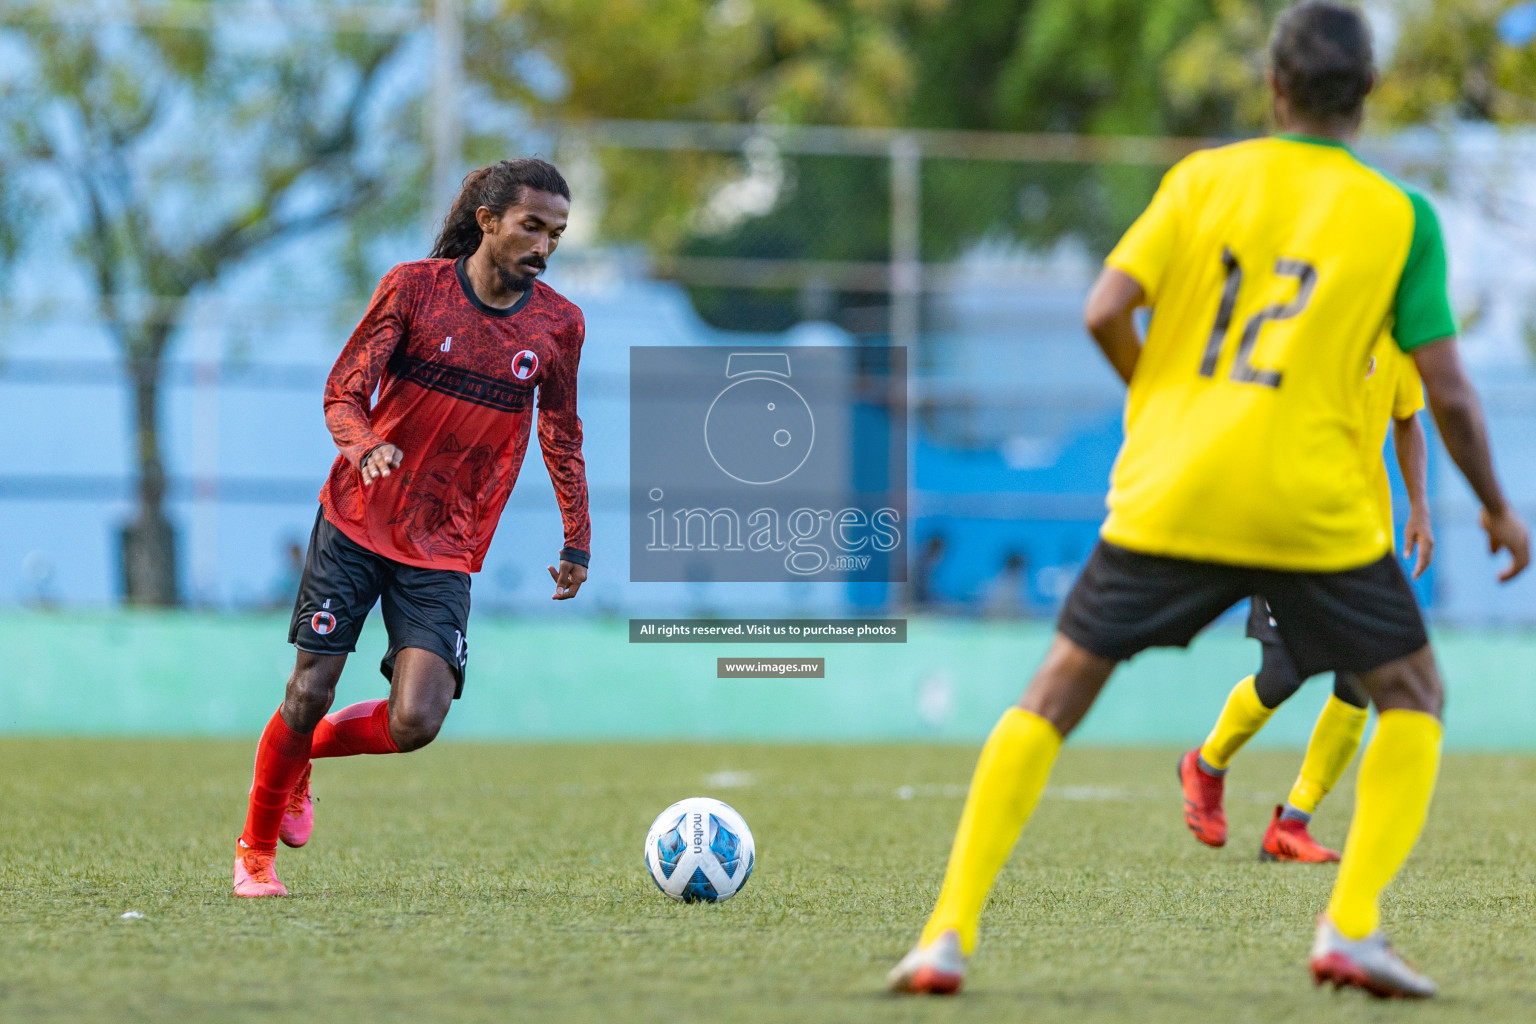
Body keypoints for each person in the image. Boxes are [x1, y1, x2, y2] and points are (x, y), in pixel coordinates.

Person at [887, 1, 1528, 1000]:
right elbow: (1443, 389)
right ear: (1365, 97)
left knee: (1053, 694)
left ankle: (945, 934)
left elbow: (1104, 309)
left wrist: (1157, 392)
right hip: (1311, 509)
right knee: (1412, 694)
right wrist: (1494, 506)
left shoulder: (1200, 179)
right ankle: (1351, 927)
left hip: (1173, 486)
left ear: (1273, 85)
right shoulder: (1402, 218)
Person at [232, 158, 590, 898]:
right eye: (532, 227)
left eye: (556, 233)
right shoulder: (415, 288)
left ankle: (300, 759)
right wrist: (363, 448)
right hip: (358, 518)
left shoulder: (558, 325)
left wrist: (576, 539)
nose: (544, 246)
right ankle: (255, 852)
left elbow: (561, 432)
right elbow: (343, 391)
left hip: (446, 543)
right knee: (308, 691)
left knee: (418, 720)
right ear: (488, 222)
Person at [1180, 337, 1434, 862]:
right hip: (1291, 532)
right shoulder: (1312, 320)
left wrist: (1420, 508)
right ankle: (1206, 764)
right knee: (1284, 673)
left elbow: (1408, 419)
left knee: (1361, 682)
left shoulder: (1395, 332)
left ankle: (1293, 823)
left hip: (1364, 542)